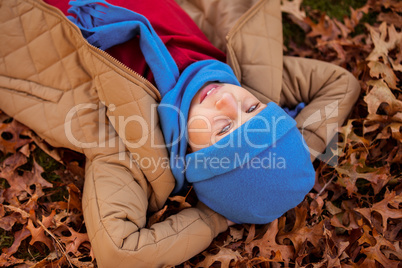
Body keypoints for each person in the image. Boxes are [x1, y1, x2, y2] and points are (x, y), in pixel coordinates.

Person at [0, 0, 360, 266]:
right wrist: (292, 150)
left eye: (224, 129)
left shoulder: (131, 150)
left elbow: (119, 251)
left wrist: (217, 214)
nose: (227, 102)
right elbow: (340, 84)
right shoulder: (248, 74)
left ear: (196, 159)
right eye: (253, 110)